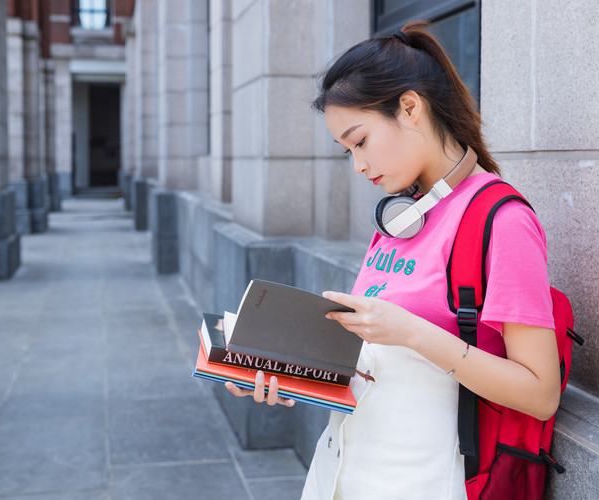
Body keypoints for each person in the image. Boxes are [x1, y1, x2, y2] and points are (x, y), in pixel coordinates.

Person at [225, 20, 560, 499]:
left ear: (409, 106)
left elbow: (540, 393)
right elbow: (374, 365)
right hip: (340, 472)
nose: (358, 165)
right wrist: (286, 372)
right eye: (347, 150)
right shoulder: (402, 216)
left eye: (360, 141)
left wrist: (411, 332)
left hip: (422, 480)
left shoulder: (500, 220)